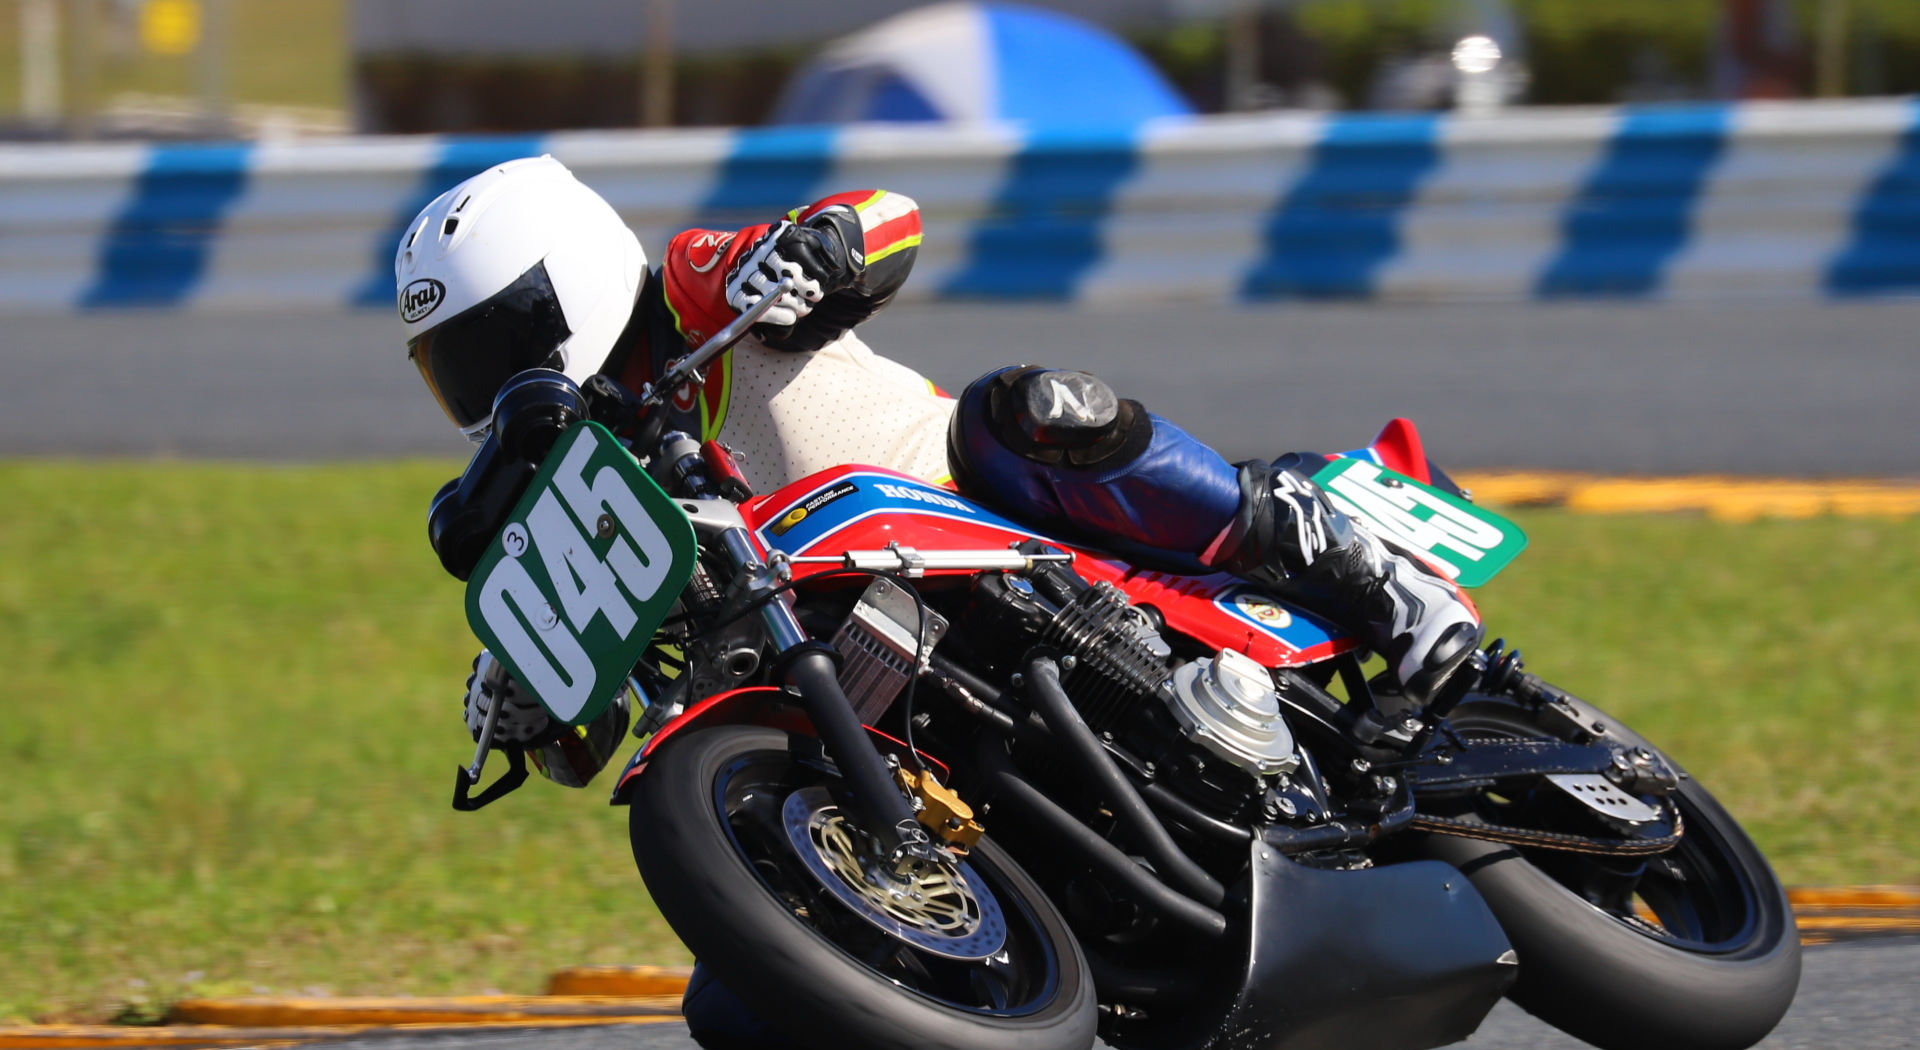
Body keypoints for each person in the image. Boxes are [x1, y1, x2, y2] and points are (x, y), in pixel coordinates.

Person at [397, 156, 1481, 775]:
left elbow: (886, 219)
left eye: (504, 335)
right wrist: (528, 689)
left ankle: (1342, 559)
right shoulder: (569, 493)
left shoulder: (691, 287)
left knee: (1027, 407)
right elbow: (583, 751)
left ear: (569, 276)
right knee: (742, 1020)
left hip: (961, 508)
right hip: (841, 668)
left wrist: (822, 248)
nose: (493, 380)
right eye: (460, 365)